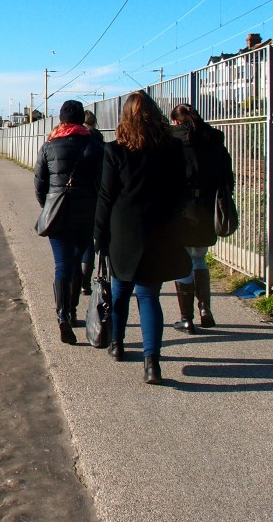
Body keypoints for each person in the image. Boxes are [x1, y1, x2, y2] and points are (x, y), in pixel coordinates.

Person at [94, 91, 190, 385]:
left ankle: (118, 344)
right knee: (149, 296)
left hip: (123, 230)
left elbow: (106, 196)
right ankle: (152, 363)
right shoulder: (172, 148)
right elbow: (181, 191)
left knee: (121, 290)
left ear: (124, 117)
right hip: (159, 230)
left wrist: (99, 233)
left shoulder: (115, 151)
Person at [33, 100, 104, 344]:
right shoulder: (94, 146)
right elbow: (101, 184)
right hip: (85, 213)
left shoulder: (48, 147)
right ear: (81, 120)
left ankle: (62, 315)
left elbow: (40, 184)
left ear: (61, 120)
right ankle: (72, 311)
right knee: (76, 261)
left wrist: (49, 206)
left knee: (62, 264)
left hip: (58, 213)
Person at [169, 103, 235, 332]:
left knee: (184, 261)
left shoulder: (173, 141)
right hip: (208, 206)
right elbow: (227, 175)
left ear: (177, 121)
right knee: (199, 258)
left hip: (182, 208)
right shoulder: (214, 140)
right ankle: (205, 309)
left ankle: (186, 318)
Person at [78, 110, 106, 295]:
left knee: (73, 242)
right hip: (95, 197)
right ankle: (85, 284)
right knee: (89, 241)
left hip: (74, 196)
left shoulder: (74, 140)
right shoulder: (100, 143)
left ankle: (75, 282)